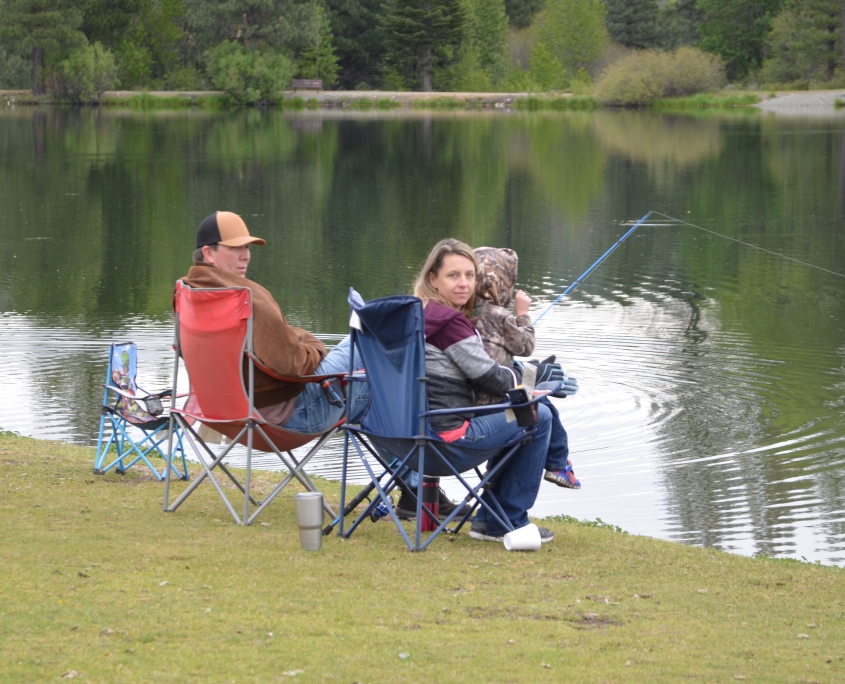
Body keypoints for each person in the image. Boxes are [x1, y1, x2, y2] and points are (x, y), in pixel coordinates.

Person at [410, 238, 560, 543]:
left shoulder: (412, 315)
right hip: (445, 442)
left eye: (470, 275)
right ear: (433, 279)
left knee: (511, 412)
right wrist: (530, 374)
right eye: (453, 275)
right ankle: (507, 521)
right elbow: (490, 378)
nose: (464, 284)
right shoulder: (450, 323)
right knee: (537, 415)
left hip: (399, 438)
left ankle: (487, 519)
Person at [178, 210, 368, 432]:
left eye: (247, 247)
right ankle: (401, 451)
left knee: (376, 391)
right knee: (370, 337)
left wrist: (291, 337)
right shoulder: (246, 297)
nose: (246, 256)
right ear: (209, 253)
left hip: (222, 416)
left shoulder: (187, 294)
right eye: (235, 248)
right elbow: (291, 364)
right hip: (290, 415)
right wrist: (315, 349)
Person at [472, 246, 580, 489]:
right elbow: (526, 346)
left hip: (471, 400)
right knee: (542, 406)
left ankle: (494, 471)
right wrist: (522, 314)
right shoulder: (499, 315)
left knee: (528, 397)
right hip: (493, 403)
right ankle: (558, 464)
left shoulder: (461, 310)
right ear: (503, 283)